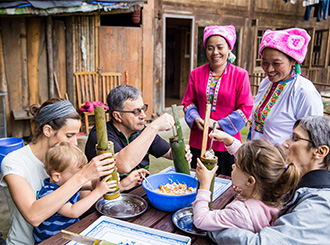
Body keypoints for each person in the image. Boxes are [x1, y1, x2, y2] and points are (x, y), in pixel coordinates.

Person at [0, 98, 139, 245]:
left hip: (65, 239)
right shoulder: (14, 162)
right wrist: (83, 175)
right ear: (48, 130)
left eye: (76, 136)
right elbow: (34, 216)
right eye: (69, 135)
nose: (74, 143)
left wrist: (116, 185)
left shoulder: (65, 157)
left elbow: (83, 191)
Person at [209, 116, 330, 244]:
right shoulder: (300, 182)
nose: (286, 143)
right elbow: (259, 166)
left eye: (295, 138)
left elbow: (260, 243)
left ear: (320, 151)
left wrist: (213, 224)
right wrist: (231, 141)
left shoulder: (320, 205)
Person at [32, 142, 147, 243]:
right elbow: (73, 211)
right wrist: (99, 191)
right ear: (57, 176)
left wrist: (119, 183)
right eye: (77, 175)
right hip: (53, 241)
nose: (80, 178)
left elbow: (92, 185)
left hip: (70, 234)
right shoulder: (49, 193)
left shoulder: (67, 183)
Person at [182, 25, 254, 176]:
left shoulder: (240, 75)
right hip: (199, 139)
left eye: (220, 47)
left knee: (226, 183)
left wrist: (218, 124)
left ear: (229, 48)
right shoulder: (196, 74)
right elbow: (188, 102)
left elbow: (245, 108)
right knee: (199, 181)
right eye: (210, 48)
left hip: (227, 142)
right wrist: (196, 118)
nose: (215, 52)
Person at [193, 137, 299, 232]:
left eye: (237, 165)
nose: (233, 166)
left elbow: (201, 221)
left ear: (250, 181)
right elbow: (250, 161)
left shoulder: (240, 213)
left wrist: (205, 185)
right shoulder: (271, 198)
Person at [85, 85, 192, 177]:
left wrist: (182, 152)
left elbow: (169, 153)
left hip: (142, 189)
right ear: (117, 116)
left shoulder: (141, 130)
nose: (143, 116)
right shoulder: (101, 136)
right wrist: (154, 126)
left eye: (143, 108)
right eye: (136, 112)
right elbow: (123, 165)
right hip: (114, 196)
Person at [249, 28, 323, 145]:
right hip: (258, 158)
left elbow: (313, 138)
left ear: (293, 61)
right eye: (265, 62)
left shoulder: (304, 92)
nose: (269, 69)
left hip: (282, 160)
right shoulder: (266, 83)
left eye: (276, 63)